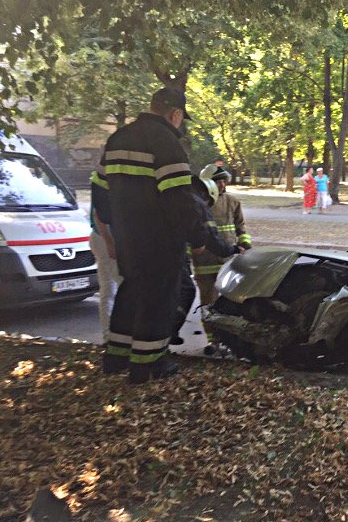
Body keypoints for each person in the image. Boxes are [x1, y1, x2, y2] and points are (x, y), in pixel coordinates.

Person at [91, 86, 207, 384]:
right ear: (175, 114)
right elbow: (179, 199)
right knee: (159, 299)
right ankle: (148, 365)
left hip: (127, 237)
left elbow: (99, 190)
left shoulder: (117, 138)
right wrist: (197, 236)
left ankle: (116, 357)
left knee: (130, 292)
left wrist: (112, 226)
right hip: (160, 239)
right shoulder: (166, 142)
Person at [171, 176, 243, 345]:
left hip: (155, 252)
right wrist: (232, 249)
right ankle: (166, 333)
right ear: (208, 193)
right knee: (186, 292)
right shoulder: (196, 203)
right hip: (175, 257)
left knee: (172, 294)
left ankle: (162, 335)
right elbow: (210, 237)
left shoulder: (179, 195)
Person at [193, 163, 251, 354]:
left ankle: (228, 340)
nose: (223, 185)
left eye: (224, 181)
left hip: (228, 261)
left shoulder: (233, 202)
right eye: (218, 182)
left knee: (229, 302)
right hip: (205, 262)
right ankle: (211, 340)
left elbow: (241, 227)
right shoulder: (201, 204)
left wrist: (245, 244)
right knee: (208, 301)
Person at [87, 185, 122, 344]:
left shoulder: (102, 178)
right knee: (124, 285)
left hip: (100, 237)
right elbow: (98, 215)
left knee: (108, 289)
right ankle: (121, 335)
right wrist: (110, 243)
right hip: (105, 237)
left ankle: (109, 335)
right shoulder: (106, 180)